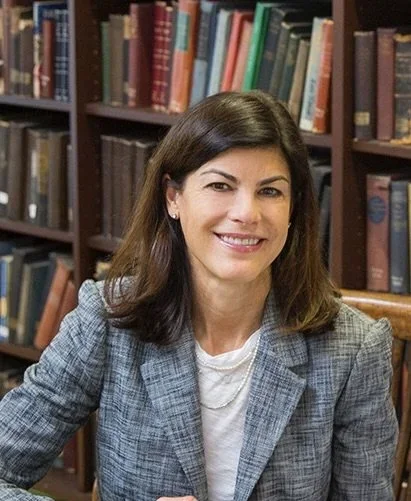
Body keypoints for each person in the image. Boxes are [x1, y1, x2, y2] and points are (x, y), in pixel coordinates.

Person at [0, 91, 398, 500]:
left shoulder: (353, 350)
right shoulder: (108, 319)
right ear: (174, 197)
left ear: (294, 206)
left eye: (270, 191)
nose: (247, 213)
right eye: (221, 185)